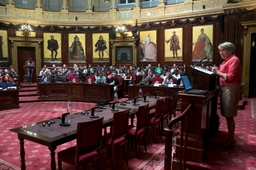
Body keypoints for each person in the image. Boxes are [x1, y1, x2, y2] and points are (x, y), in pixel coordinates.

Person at [212, 42, 241, 148]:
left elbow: (230, 77)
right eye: (220, 51)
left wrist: (217, 72)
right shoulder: (226, 61)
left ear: (230, 50)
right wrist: (218, 70)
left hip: (230, 89)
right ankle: (230, 138)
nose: (221, 53)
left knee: (229, 116)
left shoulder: (234, 60)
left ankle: (231, 139)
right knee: (227, 115)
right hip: (225, 89)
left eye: (223, 50)